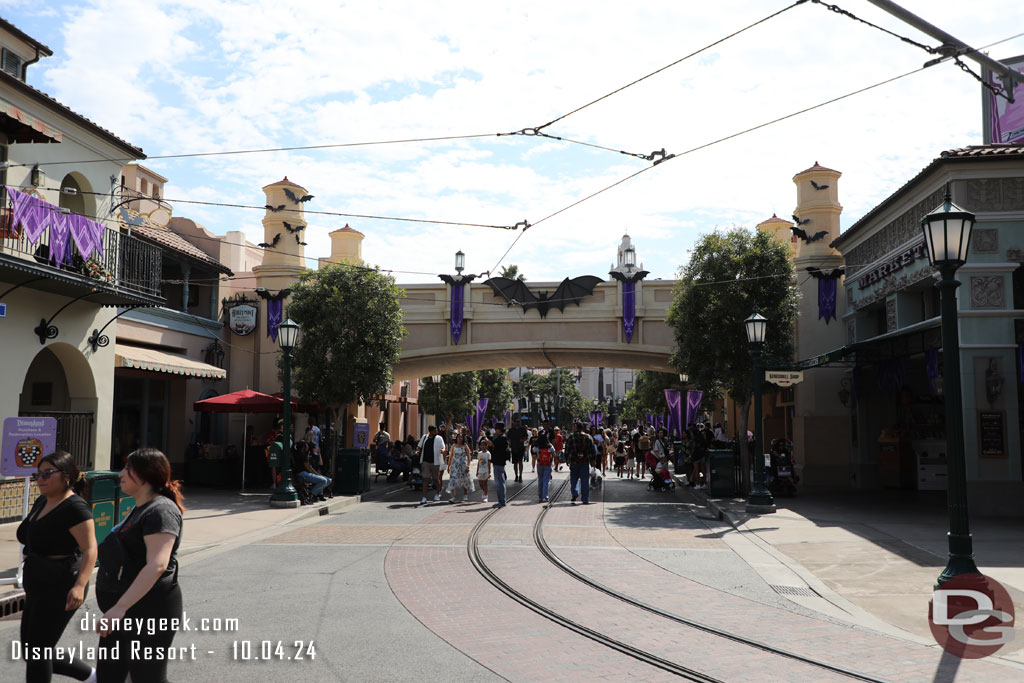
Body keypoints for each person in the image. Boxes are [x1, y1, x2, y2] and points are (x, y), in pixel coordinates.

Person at [95, 448, 184, 683]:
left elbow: (157, 565)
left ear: (145, 475)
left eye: (127, 468)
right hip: (123, 612)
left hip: (149, 611)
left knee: (147, 677)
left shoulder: (161, 511)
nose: (120, 474)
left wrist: (119, 608)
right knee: (108, 676)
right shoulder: (140, 507)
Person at [17, 451, 97, 683]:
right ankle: (92, 676)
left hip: (61, 585)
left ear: (67, 476)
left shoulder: (75, 508)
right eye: (38, 474)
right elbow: (30, 533)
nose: (40, 479)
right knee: (31, 649)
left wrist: (80, 586)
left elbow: (90, 549)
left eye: (48, 473)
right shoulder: (42, 501)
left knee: (38, 652)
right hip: (37, 584)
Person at [566, 422, 596, 504]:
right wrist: (593, 460)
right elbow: (592, 450)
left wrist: (567, 460)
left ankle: (575, 492)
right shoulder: (588, 437)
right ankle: (585, 498)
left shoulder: (571, 437)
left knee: (574, 479)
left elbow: (567, 449)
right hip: (585, 462)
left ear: (575, 427)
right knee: (585, 481)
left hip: (574, 462)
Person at [418, 424, 446, 504]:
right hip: (425, 461)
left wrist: (443, 450)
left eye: (436, 430)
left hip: (435, 461)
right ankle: (424, 497)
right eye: (434, 431)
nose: (436, 432)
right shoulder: (424, 437)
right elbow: (419, 446)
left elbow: (443, 447)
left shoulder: (439, 438)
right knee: (425, 479)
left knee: (436, 479)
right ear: (430, 431)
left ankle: (438, 493)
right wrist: (418, 451)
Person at [445, 433, 475, 503]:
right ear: (456, 438)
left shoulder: (465, 446)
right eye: (459, 437)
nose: (460, 438)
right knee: (454, 481)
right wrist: (448, 466)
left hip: (463, 466)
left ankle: (465, 495)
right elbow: (451, 456)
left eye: (461, 437)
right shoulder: (453, 446)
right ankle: (453, 497)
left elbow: (469, 456)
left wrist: (468, 465)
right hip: (454, 466)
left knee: (464, 480)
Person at [489, 422, 510, 508]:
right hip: (500, 462)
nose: (495, 430)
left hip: (498, 462)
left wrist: (487, 440)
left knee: (499, 483)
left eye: (496, 428)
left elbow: (492, 444)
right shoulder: (503, 438)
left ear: (499, 429)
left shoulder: (501, 438)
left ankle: (502, 501)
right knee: (501, 482)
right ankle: (502, 501)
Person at [535, 432, 555, 503]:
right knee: (546, 480)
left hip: (539, 464)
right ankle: (545, 497)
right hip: (548, 464)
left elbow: (533, 451)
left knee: (540, 480)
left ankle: (540, 496)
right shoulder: (550, 446)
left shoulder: (537, 446)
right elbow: (554, 453)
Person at [506, 418, 528, 483]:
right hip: (514, 447)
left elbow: (526, 437)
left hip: (520, 447)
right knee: (515, 463)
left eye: (518, 421)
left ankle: (520, 475)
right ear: (514, 422)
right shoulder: (511, 430)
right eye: (516, 421)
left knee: (520, 462)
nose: (517, 423)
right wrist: (509, 444)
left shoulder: (522, 429)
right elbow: (508, 438)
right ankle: (516, 475)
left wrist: (523, 440)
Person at [475, 438, 492, 503]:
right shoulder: (479, 453)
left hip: (486, 470)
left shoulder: (488, 453)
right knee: (480, 484)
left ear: (486, 446)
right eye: (481, 445)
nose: (483, 446)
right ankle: (484, 491)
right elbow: (478, 463)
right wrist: (477, 471)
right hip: (480, 470)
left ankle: (485, 496)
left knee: (485, 483)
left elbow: (489, 463)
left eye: (484, 445)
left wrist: (489, 472)